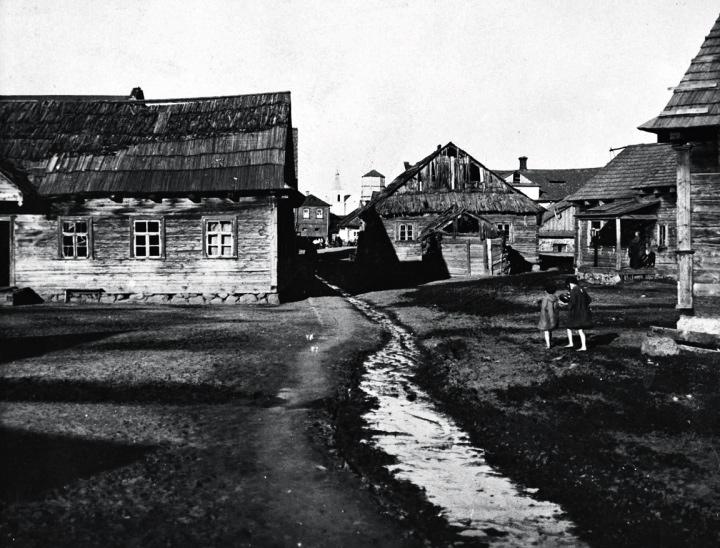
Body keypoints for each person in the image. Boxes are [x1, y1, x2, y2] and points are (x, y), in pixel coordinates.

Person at [564, 276, 592, 352]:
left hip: (576, 312)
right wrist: (583, 304)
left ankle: (581, 346)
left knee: (575, 328)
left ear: (570, 283)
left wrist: (566, 304)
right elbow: (589, 300)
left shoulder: (573, 290)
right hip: (583, 311)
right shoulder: (582, 289)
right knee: (577, 329)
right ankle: (576, 344)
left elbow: (572, 303)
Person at [538, 283, 560, 349]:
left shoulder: (545, 298)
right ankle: (549, 342)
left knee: (546, 331)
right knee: (550, 330)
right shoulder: (555, 298)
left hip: (546, 316)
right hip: (553, 316)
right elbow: (556, 307)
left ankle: (548, 345)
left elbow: (544, 307)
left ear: (546, 291)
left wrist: (539, 304)